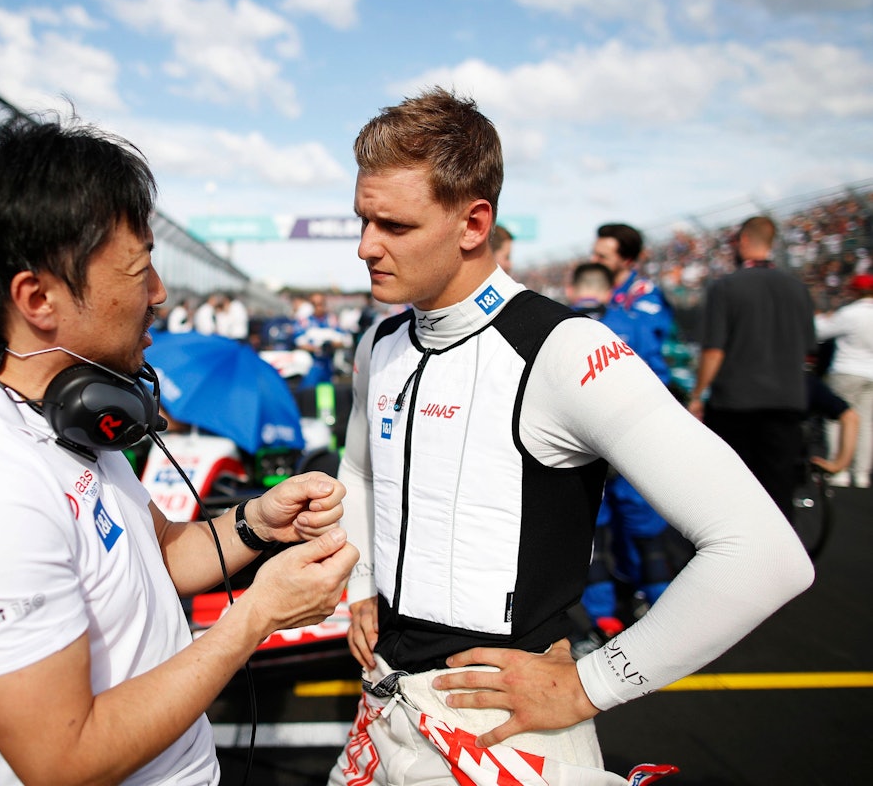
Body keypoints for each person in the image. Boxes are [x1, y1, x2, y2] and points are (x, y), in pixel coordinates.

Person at [332, 87, 813, 785]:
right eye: (362, 219)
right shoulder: (379, 341)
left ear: (473, 224)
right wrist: (364, 585)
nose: (364, 246)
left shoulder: (564, 349)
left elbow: (764, 552)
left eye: (394, 226)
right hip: (381, 708)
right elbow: (362, 470)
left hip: (506, 725)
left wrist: (590, 685)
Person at [0, 114, 358, 786]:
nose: (159, 294)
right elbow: (62, 761)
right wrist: (255, 616)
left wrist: (256, 523)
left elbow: (162, 553)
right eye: (140, 267)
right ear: (38, 298)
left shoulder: (73, 414)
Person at [565, 261, 674, 649]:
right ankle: (659, 608)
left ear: (572, 288)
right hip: (632, 447)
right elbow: (659, 383)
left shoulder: (556, 327)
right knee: (646, 535)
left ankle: (604, 619)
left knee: (591, 536)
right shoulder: (635, 324)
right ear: (611, 291)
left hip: (578, 453)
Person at [688, 216, 818, 519]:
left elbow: (714, 350)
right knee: (778, 488)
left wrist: (698, 394)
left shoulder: (726, 287)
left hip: (736, 403)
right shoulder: (798, 289)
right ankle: (783, 559)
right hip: (787, 401)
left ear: (743, 241)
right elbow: (809, 350)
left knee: (733, 489)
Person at [591, 222, 674, 385]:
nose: (593, 261)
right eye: (594, 254)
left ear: (626, 261)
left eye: (602, 257)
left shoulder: (644, 294)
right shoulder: (597, 291)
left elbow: (643, 347)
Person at [813, 273, 873, 487]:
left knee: (836, 419)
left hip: (846, 370)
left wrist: (822, 316)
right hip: (870, 373)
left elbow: (819, 331)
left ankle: (839, 468)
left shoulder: (850, 313)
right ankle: (862, 472)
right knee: (865, 423)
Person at [294, 291, 351, 390]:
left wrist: (332, 345)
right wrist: (317, 348)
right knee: (307, 397)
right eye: (314, 304)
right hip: (310, 366)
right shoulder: (304, 322)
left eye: (320, 304)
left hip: (329, 367)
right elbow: (298, 342)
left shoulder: (333, 321)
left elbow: (346, 340)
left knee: (326, 401)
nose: (318, 307)